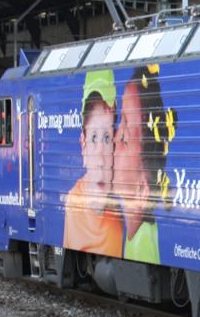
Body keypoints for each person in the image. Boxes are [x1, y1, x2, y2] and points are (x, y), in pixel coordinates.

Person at [63, 70, 122, 257]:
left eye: (106, 138)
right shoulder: (73, 207)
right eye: (94, 138)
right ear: (83, 146)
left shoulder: (123, 212)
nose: (101, 158)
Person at [114, 66, 169, 265]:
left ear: (143, 188)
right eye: (120, 123)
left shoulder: (142, 250)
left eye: (125, 135)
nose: (114, 137)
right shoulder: (132, 240)